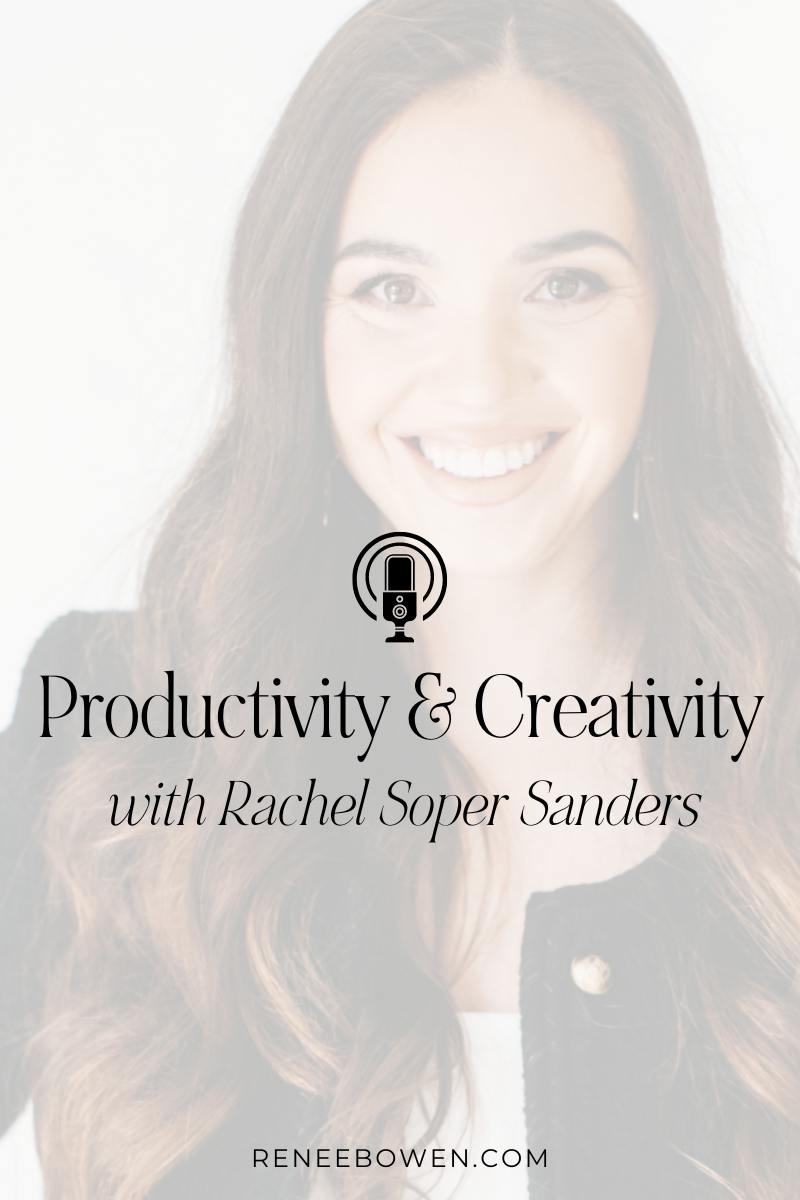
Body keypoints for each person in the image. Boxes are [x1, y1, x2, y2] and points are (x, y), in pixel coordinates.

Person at [2, 0, 800, 1197]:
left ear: (669, 322)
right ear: (299, 326)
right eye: (391, 290)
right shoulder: (116, 735)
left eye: (565, 284)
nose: (478, 378)